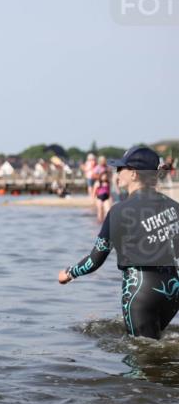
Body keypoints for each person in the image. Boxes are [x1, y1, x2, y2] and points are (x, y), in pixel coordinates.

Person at [58, 145, 179, 339]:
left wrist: (69, 273)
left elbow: (95, 260)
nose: (117, 173)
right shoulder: (175, 207)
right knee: (158, 352)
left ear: (134, 174)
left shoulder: (119, 211)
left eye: (121, 168)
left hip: (140, 291)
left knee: (140, 359)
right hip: (173, 290)